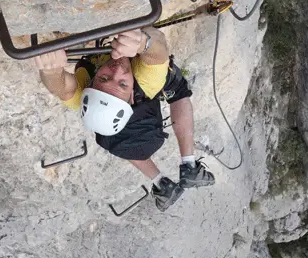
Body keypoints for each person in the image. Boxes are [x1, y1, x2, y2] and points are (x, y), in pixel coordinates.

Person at [34, 27, 215, 211]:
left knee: (122, 140)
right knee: (178, 92)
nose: (117, 69)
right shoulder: (148, 80)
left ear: (91, 85)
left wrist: (51, 70)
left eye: (103, 78)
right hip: (147, 84)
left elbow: (61, 87)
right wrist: (143, 42)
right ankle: (187, 165)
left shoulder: (84, 95)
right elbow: (158, 49)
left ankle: (168, 179)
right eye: (122, 83)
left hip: (125, 128)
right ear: (131, 97)